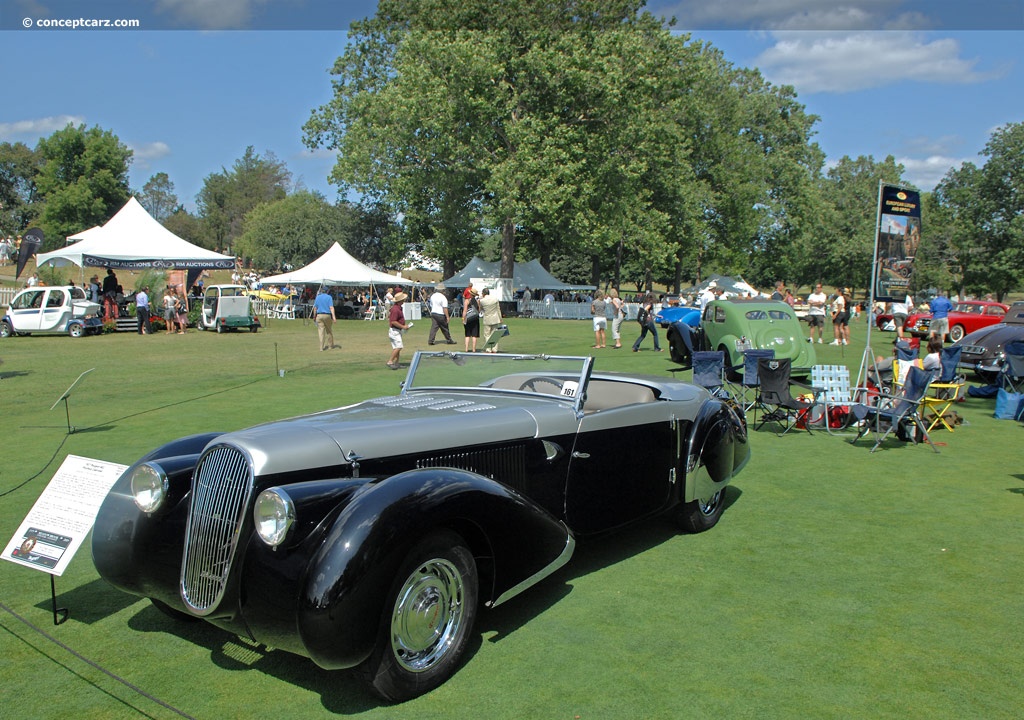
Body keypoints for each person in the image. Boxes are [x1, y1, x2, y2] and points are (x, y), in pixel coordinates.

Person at [387, 291, 411, 369]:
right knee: (399, 346)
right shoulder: (395, 309)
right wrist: (403, 326)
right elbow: (393, 321)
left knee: (396, 347)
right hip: (394, 331)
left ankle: (397, 363)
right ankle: (390, 361)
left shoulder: (398, 308)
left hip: (397, 330)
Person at [479, 287, 503, 352]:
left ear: (483, 293)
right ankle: (494, 349)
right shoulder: (495, 299)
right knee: (494, 334)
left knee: (487, 334)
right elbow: (498, 309)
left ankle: (488, 348)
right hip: (495, 318)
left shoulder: (482, 301)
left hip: (487, 318)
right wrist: (500, 318)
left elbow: (480, 309)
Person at [313, 286, 337, 351]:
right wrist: (334, 317)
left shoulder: (318, 297)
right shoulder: (329, 297)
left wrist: (314, 316)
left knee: (321, 331)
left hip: (319, 315)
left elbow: (315, 308)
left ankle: (321, 347)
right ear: (327, 291)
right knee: (329, 331)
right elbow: (331, 307)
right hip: (327, 315)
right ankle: (330, 345)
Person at [462, 287, 480, 352]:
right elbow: (479, 310)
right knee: (474, 335)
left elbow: (465, 311)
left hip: (468, 318)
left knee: (467, 335)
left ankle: (466, 349)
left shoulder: (467, 301)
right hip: (475, 319)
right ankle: (474, 349)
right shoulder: (477, 301)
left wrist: (463, 319)